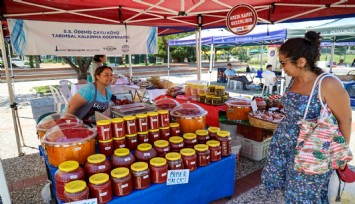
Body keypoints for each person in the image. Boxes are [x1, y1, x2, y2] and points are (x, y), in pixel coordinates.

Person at [261, 31, 351, 203]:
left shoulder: (328, 84)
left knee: (305, 194)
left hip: (310, 151)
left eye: (283, 63)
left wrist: (339, 156)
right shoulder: (293, 79)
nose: (281, 67)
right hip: (284, 146)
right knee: (286, 188)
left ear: (301, 62)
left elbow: (345, 120)